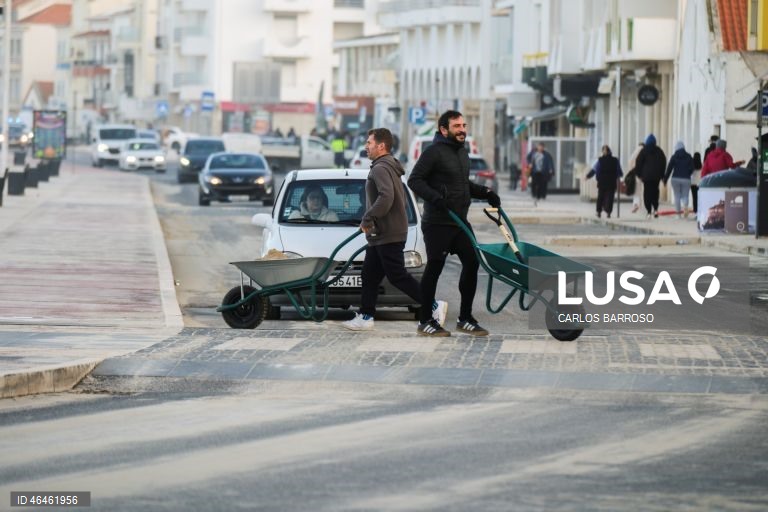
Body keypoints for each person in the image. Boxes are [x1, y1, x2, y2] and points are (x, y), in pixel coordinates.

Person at [342, 128, 447, 331]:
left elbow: (386, 196)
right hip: (383, 232)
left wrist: (368, 217)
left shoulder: (380, 168)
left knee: (397, 276)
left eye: (369, 142)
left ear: (381, 146)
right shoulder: (389, 166)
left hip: (387, 232)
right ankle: (365, 316)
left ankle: (433, 305)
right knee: (369, 275)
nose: (366, 146)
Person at [407, 110, 501, 337]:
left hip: (459, 222)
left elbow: (462, 184)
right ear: (443, 129)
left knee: (472, 263)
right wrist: (436, 198)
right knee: (435, 268)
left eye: (464, 125)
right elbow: (414, 180)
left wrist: (486, 192)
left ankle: (465, 318)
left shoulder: (462, 153)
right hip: (438, 223)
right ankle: (425, 321)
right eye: (457, 126)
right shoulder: (433, 153)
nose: (462, 130)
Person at [635, 133, 667, 219]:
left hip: (646, 177)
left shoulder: (643, 151)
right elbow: (663, 163)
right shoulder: (659, 151)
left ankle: (649, 211)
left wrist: (639, 174)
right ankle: (655, 209)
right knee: (655, 192)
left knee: (647, 192)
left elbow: (638, 163)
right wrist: (662, 174)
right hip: (656, 177)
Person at [586, 145, 622, 218]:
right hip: (611, 181)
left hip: (602, 181)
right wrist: (618, 176)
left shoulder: (600, 160)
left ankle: (599, 212)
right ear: (610, 151)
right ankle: (608, 212)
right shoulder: (615, 160)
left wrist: (588, 176)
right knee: (610, 197)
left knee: (601, 197)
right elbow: (619, 172)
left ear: (603, 152)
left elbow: (595, 170)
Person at [663, 141, 694, 218]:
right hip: (686, 179)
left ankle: (678, 215)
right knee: (685, 195)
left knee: (677, 196)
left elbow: (669, 169)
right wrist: (688, 173)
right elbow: (692, 168)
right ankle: (685, 205)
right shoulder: (689, 156)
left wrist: (665, 179)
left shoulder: (674, 156)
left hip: (675, 178)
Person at [626, 142, 644, 213]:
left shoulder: (636, 151)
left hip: (636, 173)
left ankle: (636, 204)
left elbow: (630, 161)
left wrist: (631, 170)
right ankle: (643, 206)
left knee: (637, 190)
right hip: (645, 173)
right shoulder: (645, 151)